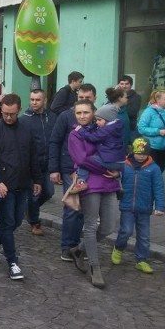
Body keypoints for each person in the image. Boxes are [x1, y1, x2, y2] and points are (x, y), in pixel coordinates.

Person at [0, 93, 42, 281]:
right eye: (5, 113)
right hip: (3, 186)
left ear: (18, 110)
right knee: (8, 223)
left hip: (23, 184)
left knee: (16, 222)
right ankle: (12, 262)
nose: (8, 117)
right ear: (1, 111)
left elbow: (33, 156)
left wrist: (38, 180)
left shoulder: (26, 129)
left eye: (12, 114)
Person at [67, 100, 121, 289]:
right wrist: (105, 166)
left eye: (86, 112)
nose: (82, 116)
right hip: (89, 184)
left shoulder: (102, 128)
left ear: (93, 113)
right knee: (91, 226)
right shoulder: (75, 135)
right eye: (78, 113)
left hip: (109, 182)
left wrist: (116, 169)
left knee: (109, 226)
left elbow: (115, 151)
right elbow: (81, 159)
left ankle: (78, 250)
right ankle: (94, 268)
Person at [49, 84, 97, 261]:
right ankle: (68, 246)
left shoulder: (98, 118)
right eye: (81, 97)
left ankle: (80, 245)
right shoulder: (66, 116)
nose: (84, 101)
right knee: (72, 208)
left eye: (88, 98)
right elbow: (54, 141)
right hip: (70, 169)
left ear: (94, 99)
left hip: (93, 170)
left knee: (87, 210)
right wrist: (54, 169)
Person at [111, 138, 165, 274]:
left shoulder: (154, 168)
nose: (141, 155)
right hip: (127, 206)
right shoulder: (124, 165)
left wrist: (160, 206)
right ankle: (118, 248)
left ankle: (141, 260)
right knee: (126, 231)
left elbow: (159, 188)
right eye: (138, 153)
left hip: (144, 207)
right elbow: (116, 181)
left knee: (144, 236)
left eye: (144, 153)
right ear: (132, 152)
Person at [18, 89, 55, 236]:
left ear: (44, 100)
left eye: (37, 100)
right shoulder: (24, 119)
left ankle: (28, 208)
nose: (34, 102)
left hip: (48, 163)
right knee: (34, 194)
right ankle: (34, 222)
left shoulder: (52, 117)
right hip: (32, 165)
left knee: (48, 192)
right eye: (32, 99)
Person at [70, 104, 125, 193]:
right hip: (120, 162)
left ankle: (81, 182)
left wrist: (81, 130)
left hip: (109, 161)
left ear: (107, 120)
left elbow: (93, 137)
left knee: (85, 162)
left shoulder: (107, 130)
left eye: (99, 120)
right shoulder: (116, 126)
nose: (97, 122)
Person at [137, 90, 165, 173]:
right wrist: (158, 131)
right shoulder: (149, 112)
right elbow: (141, 128)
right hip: (151, 148)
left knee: (160, 171)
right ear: (158, 100)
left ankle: (156, 186)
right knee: (149, 172)